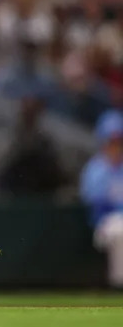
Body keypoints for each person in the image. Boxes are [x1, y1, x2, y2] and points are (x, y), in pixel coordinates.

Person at [80, 110, 123, 288]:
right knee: (119, 230)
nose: (115, 145)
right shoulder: (95, 168)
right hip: (104, 223)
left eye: (118, 141)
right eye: (111, 141)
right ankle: (119, 285)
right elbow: (94, 203)